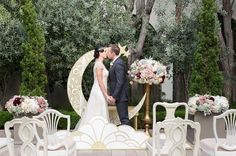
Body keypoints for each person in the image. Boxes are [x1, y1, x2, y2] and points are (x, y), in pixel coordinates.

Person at [76, 46, 111, 128]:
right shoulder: (99, 64)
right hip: (98, 92)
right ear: (100, 53)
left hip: (101, 91)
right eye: (105, 51)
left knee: (98, 111)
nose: (106, 53)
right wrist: (106, 95)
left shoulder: (100, 64)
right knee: (98, 111)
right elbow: (100, 81)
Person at [107, 44, 130, 125]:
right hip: (119, 96)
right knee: (123, 119)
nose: (107, 53)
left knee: (124, 119)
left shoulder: (118, 63)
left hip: (121, 96)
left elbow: (120, 82)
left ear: (113, 53)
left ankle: (128, 136)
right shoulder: (116, 63)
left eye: (108, 52)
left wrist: (114, 96)